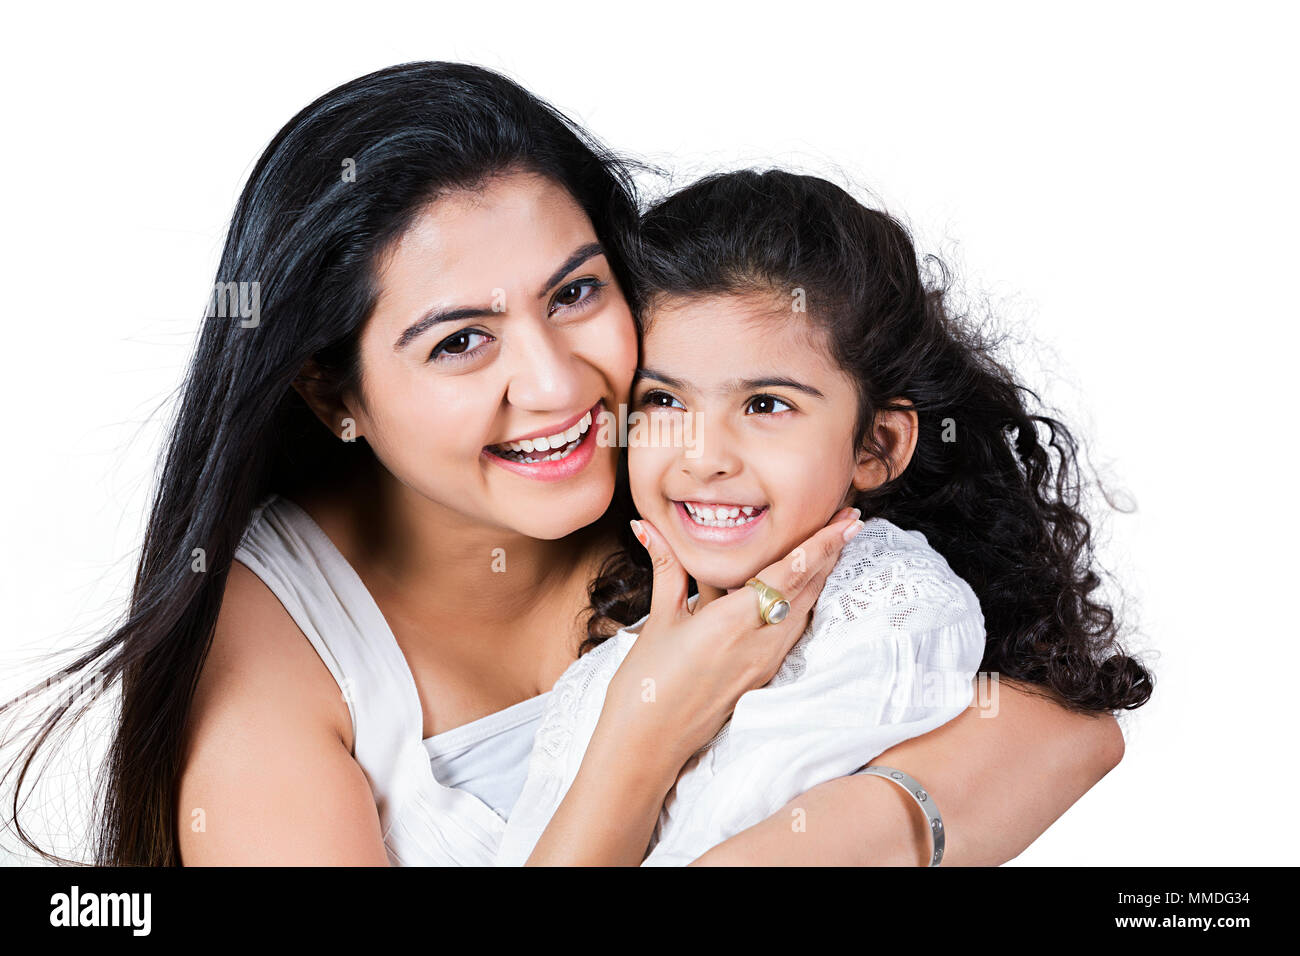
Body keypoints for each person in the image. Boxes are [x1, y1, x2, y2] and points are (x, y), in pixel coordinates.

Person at [0, 63, 1137, 867]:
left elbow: (1066, 724)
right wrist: (635, 745)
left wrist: (846, 836)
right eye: (460, 340)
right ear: (331, 390)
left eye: (577, 293)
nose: (557, 384)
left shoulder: (695, 472)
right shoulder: (281, 639)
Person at [495, 169, 1153, 866]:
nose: (704, 456)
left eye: (766, 406)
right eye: (663, 401)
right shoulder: (612, 669)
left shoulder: (889, 605)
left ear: (877, 445)